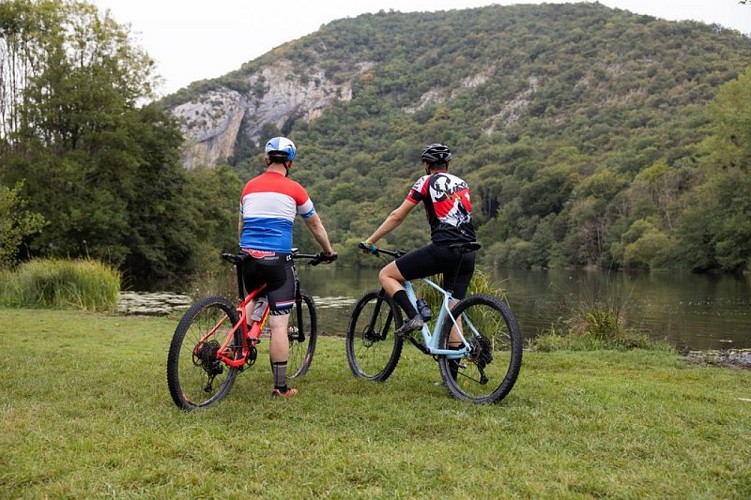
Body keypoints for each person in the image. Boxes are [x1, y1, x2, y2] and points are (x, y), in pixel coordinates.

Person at [239, 136, 337, 398]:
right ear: (291, 163)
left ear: (266, 159)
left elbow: (242, 224)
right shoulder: (295, 189)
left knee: (252, 296)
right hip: (277, 260)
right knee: (280, 326)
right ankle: (280, 387)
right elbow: (315, 224)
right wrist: (328, 251)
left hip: (247, 256)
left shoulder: (249, 187)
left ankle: (238, 346)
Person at [360, 143, 478, 340]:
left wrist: (370, 240)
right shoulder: (462, 183)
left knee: (386, 275)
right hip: (468, 253)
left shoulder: (426, 181)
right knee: (453, 310)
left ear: (426, 164)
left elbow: (397, 216)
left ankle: (415, 316)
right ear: (448, 163)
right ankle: (452, 367)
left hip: (444, 250)